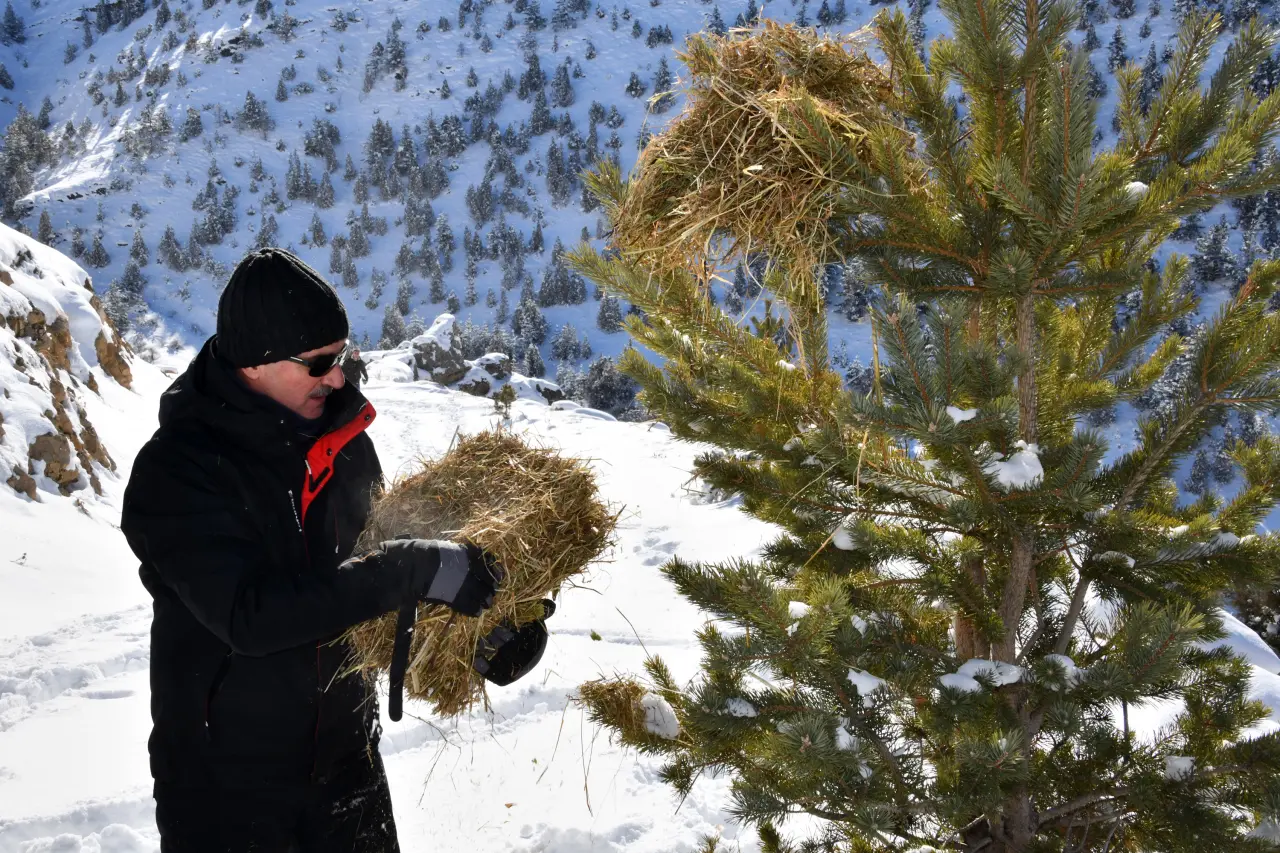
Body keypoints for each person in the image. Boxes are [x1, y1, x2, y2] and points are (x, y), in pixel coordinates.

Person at [121, 248, 552, 852]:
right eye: (320, 362)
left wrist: (482, 630)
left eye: (344, 356)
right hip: (226, 793)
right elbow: (254, 616)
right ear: (254, 362)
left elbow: (370, 591)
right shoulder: (177, 471)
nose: (339, 378)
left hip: (348, 768)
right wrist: (414, 568)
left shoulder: (343, 442)